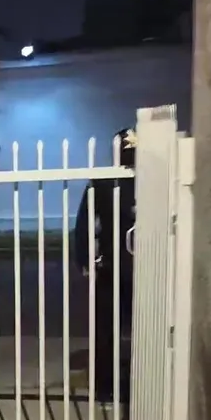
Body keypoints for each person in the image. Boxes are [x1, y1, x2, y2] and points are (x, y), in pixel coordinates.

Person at [72, 128, 137, 404]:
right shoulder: (105, 181)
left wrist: (85, 259)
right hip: (119, 267)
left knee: (115, 329)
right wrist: (86, 259)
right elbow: (85, 223)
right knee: (111, 330)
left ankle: (111, 385)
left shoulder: (104, 180)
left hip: (126, 265)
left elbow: (83, 224)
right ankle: (110, 385)